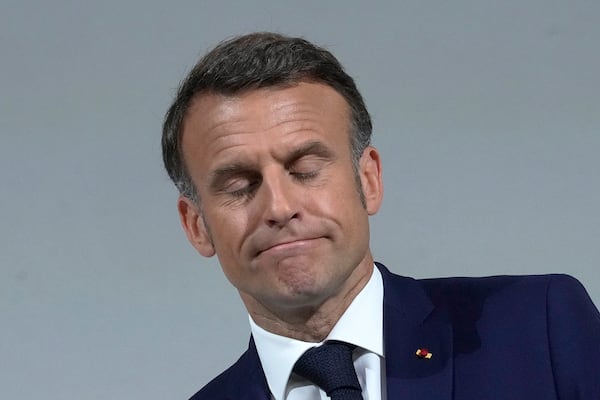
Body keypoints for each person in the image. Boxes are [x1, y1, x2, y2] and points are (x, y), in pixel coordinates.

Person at [162, 32, 600, 400]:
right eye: (239, 185)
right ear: (196, 225)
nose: (279, 207)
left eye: (305, 170)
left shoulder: (539, 328)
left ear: (368, 180)